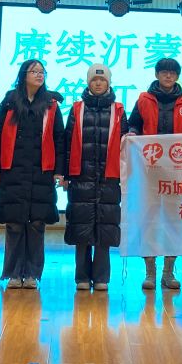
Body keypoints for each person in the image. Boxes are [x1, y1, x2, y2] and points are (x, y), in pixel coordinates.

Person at [0, 59, 65, 290]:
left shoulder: (51, 105)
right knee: (14, 223)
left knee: (37, 224)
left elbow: (59, 139)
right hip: (13, 171)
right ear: (24, 75)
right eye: (34, 71)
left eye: (42, 72)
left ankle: (32, 274)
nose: (39, 75)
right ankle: (13, 273)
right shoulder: (10, 102)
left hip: (42, 172)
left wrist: (59, 171)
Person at [126, 57, 182, 290]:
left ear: (177, 76)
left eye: (172, 73)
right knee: (148, 220)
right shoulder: (143, 100)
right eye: (164, 72)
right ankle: (150, 272)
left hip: (177, 172)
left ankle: (168, 272)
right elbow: (133, 125)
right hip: (149, 170)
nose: (168, 76)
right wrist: (132, 134)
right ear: (157, 74)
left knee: (174, 221)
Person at [63, 63, 128, 292]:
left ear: (109, 83)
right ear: (88, 83)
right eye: (94, 80)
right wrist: (66, 174)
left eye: (102, 80)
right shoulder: (77, 109)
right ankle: (81, 277)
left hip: (109, 178)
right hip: (81, 177)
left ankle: (101, 277)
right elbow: (67, 143)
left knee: (105, 228)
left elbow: (125, 146)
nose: (98, 83)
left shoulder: (118, 111)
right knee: (81, 228)